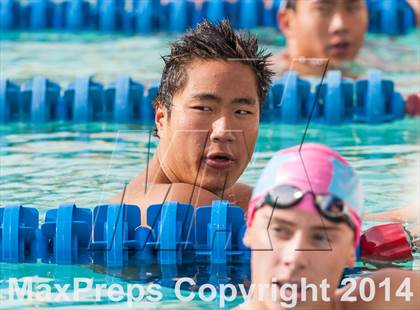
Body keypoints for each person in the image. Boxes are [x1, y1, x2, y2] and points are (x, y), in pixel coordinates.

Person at [111, 19, 274, 224]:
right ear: (162, 118)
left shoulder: (231, 197)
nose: (223, 131)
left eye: (242, 111)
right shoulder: (180, 203)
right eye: (203, 108)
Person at [239, 143, 419, 309]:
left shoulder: (391, 297)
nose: (295, 258)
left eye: (321, 238)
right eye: (279, 231)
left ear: (351, 250)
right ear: (250, 230)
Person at [270, 0, 368, 77]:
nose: (340, 25)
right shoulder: (265, 78)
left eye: (353, 8)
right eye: (322, 9)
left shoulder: (375, 65)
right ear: (287, 22)